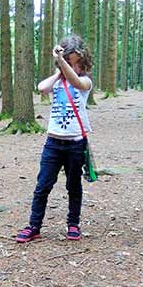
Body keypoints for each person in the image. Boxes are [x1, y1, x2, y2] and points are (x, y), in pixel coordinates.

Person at [16, 34, 93, 243]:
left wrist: (63, 65)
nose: (73, 67)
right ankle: (34, 226)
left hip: (76, 143)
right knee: (43, 186)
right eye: (70, 63)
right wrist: (60, 69)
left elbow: (77, 80)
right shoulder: (57, 81)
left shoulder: (85, 81)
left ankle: (73, 224)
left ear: (84, 64)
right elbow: (42, 88)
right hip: (53, 143)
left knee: (73, 186)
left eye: (78, 63)